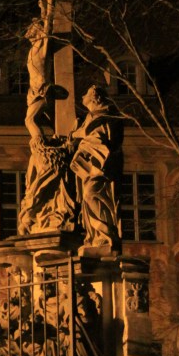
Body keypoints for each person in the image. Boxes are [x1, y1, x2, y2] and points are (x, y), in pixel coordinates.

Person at [69, 85, 124, 251]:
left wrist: (74, 135)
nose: (82, 97)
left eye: (85, 93)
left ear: (94, 97)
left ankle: (106, 234)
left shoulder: (105, 113)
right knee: (88, 197)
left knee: (91, 194)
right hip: (91, 164)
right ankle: (94, 235)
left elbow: (90, 132)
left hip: (102, 164)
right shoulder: (92, 115)